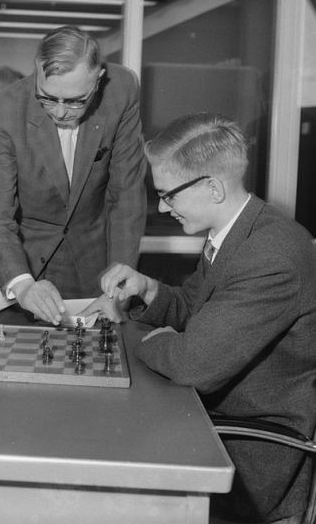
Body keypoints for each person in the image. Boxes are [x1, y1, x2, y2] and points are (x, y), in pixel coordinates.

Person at [94, 112, 316, 524]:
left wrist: (139, 337)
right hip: (208, 418)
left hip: (249, 450)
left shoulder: (270, 256)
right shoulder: (234, 233)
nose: (162, 206)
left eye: (168, 195)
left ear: (212, 187)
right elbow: (194, 309)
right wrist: (146, 289)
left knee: (105, 479)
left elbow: (193, 364)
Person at [0, 25, 146, 325]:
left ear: (98, 79)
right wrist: (22, 284)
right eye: (47, 98)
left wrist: (118, 285)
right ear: (36, 72)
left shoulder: (122, 91)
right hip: (20, 260)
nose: (60, 112)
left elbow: (126, 195)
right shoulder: (2, 113)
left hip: (94, 262)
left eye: (76, 100)